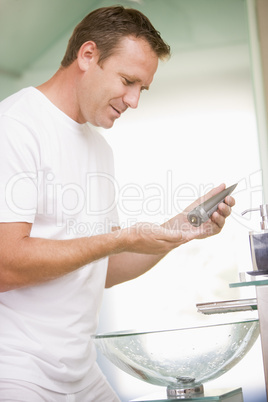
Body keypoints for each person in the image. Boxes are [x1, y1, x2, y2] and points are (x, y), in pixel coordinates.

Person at [0, 5, 235, 401]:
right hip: (19, 372)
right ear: (87, 56)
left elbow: (99, 269)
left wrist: (178, 231)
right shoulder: (15, 127)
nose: (134, 100)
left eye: (141, 88)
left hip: (81, 374)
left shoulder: (99, 149)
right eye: (128, 81)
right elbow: (6, 263)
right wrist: (119, 238)